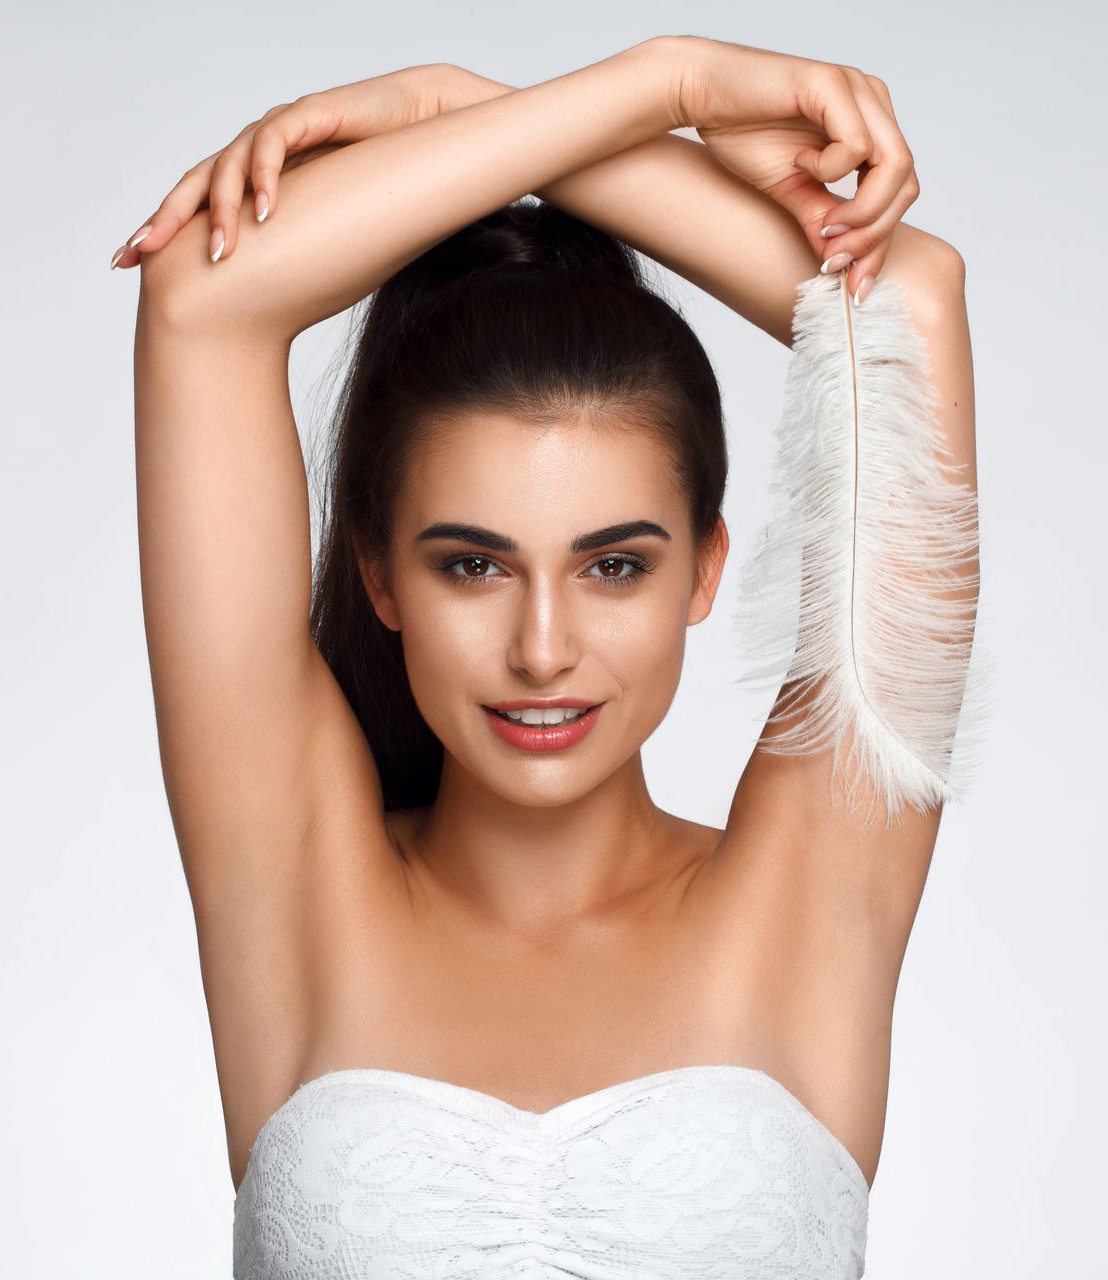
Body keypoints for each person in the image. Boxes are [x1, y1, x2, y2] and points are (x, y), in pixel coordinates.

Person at [114, 35, 978, 1279]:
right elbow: (201, 297)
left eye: (614, 564)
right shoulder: (301, 886)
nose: (542, 647)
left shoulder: (807, 893)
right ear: (379, 572)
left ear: (704, 567)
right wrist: (663, 88)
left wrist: (451, 103)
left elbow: (906, 302)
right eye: (472, 563)